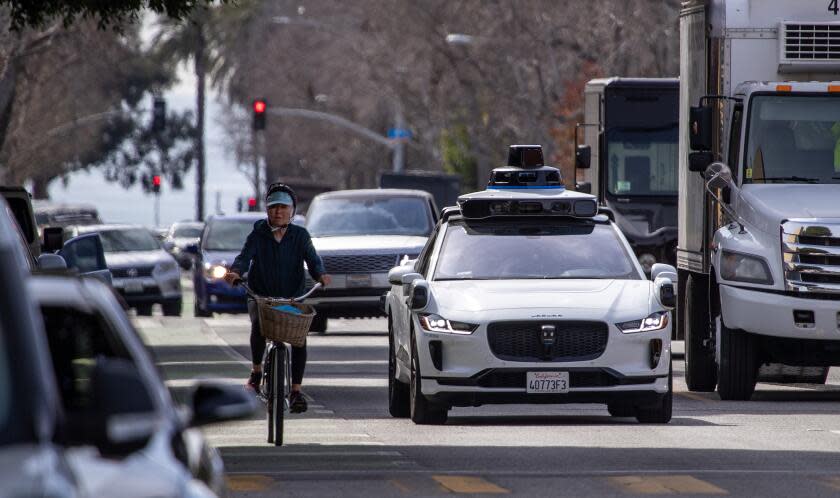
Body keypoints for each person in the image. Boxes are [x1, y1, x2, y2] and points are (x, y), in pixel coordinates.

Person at [223, 183, 330, 413]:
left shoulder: (300, 235)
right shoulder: (258, 233)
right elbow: (244, 258)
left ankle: (296, 391)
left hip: (292, 298)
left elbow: (313, 259)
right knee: (258, 324)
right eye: (273, 207)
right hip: (261, 295)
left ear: (292, 210)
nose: (278, 212)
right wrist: (235, 272)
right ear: (267, 210)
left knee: (299, 337)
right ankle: (256, 371)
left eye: (283, 207)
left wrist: (320, 274)